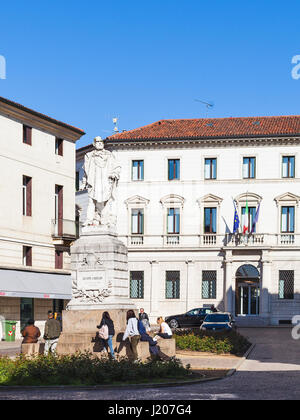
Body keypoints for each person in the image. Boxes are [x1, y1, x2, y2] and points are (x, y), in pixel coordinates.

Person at [80, 136, 121, 228]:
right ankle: (89, 220)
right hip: (93, 181)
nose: (100, 143)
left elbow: (117, 167)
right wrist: (83, 183)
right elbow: (86, 171)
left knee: (106, 201)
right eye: (97, 142)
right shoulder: (89, 156)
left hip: (105, 181)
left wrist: (114, 174)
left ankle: (104, 220)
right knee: (91, 201)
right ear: (94, 144)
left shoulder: (109, 155)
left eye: (101, 142)